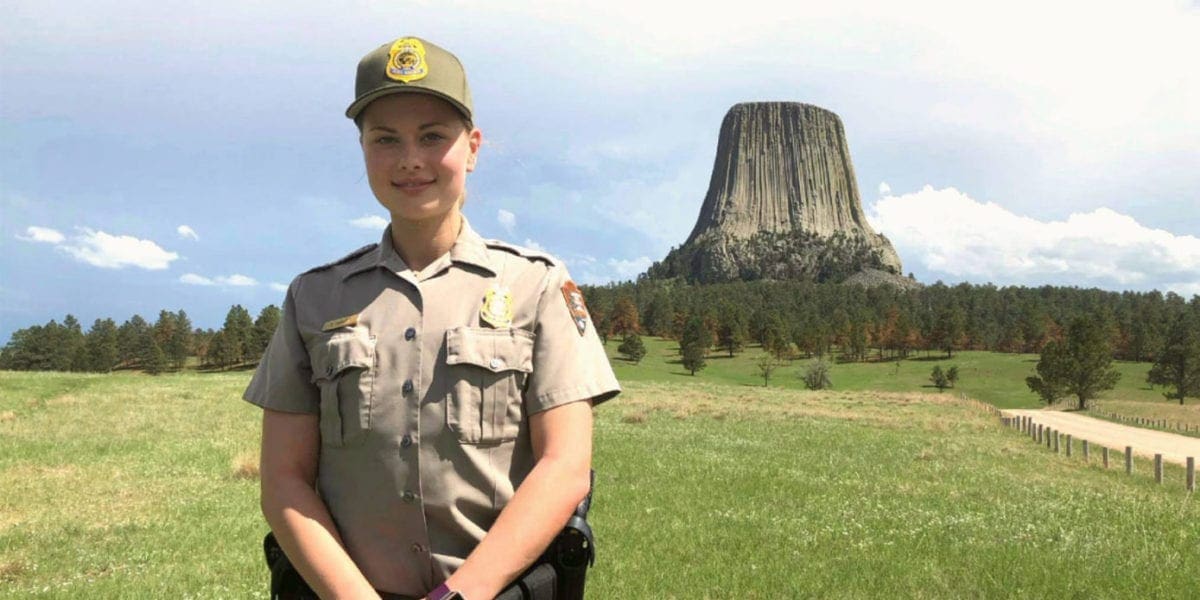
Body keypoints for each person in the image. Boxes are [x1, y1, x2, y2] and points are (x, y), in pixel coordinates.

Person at [243, 36, 620, 600]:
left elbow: (565, 465)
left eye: (432, 136)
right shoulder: (314, 299)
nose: (410, 159)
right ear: (363, 149)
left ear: (472, 148)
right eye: (385, 139)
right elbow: (283, 479)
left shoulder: (535, 285)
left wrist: (460, 595)